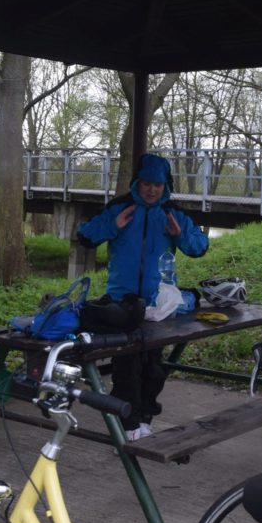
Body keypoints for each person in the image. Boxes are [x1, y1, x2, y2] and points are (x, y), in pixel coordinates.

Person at [77, 153, 209, 441]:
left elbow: (200, 247)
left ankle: (144, 419)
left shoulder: (173, 213)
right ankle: (128, 425)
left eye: (157, 185)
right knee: (127, 367)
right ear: (137, 182)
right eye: (147, 183)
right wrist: (113, 226)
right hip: (121, 305)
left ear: (165, 187)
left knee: (153, 368)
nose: (151, 190)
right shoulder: (119, 208)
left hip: (157, 305)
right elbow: (85, 236)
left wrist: (179, 235)